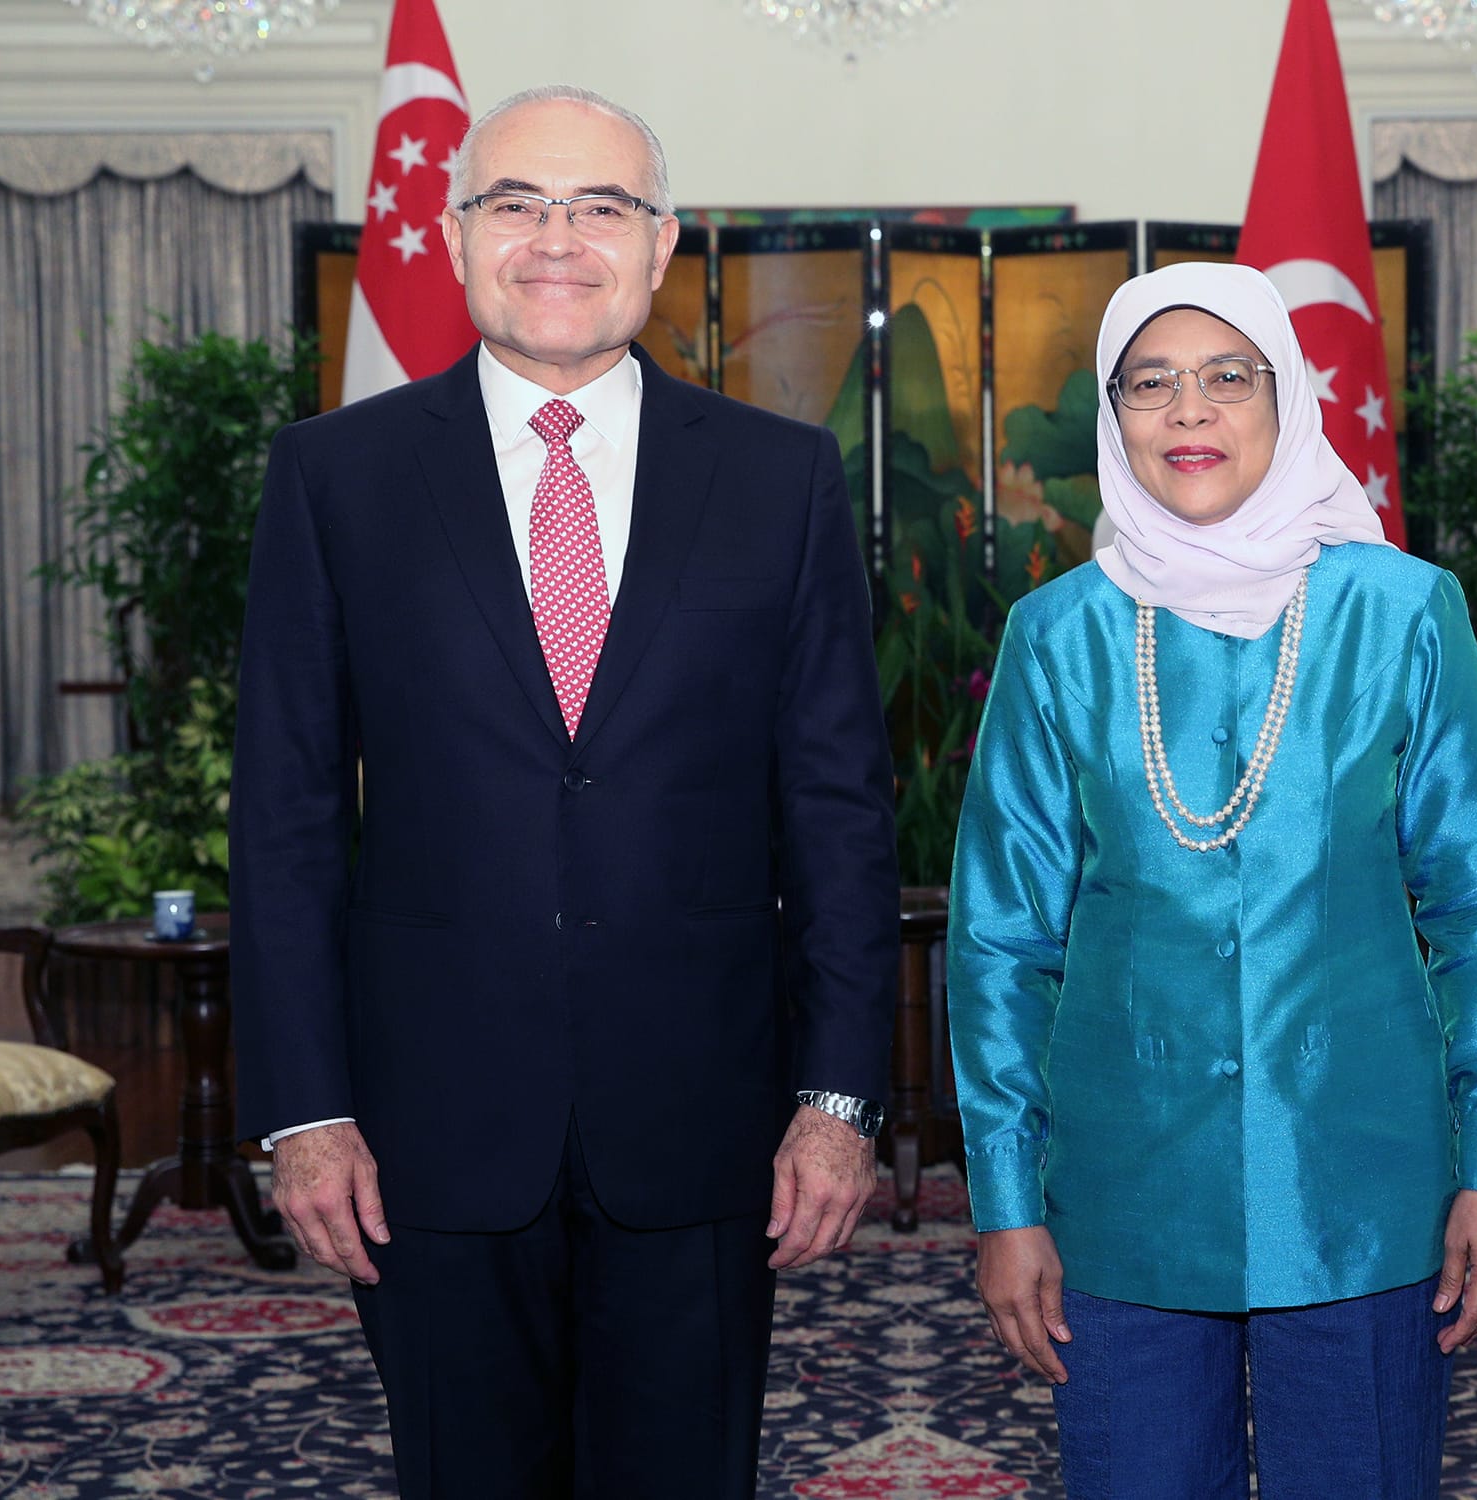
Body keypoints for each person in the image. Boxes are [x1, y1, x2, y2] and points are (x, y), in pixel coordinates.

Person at [228, 84, 897, 1499]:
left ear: (662, 245)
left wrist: (840, 1098)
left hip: (706, 1121)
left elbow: (839, 813)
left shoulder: (781, 481)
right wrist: (302, 1110)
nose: (556, 237)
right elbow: (285, 822)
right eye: (517, 203)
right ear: (455, 237)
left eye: (600, 206)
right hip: (426, 1127)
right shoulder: (335, 476)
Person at [947, 261, 1477, 1499]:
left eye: (1229, 378)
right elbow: (999, 942)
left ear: (1287, 402)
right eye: (1150, 384)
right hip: (1123, 1202)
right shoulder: (1056, 635)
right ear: (1115, 417)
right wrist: (1006, 1201)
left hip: (1360, 1192)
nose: (1190, 411)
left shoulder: (1403, 612)